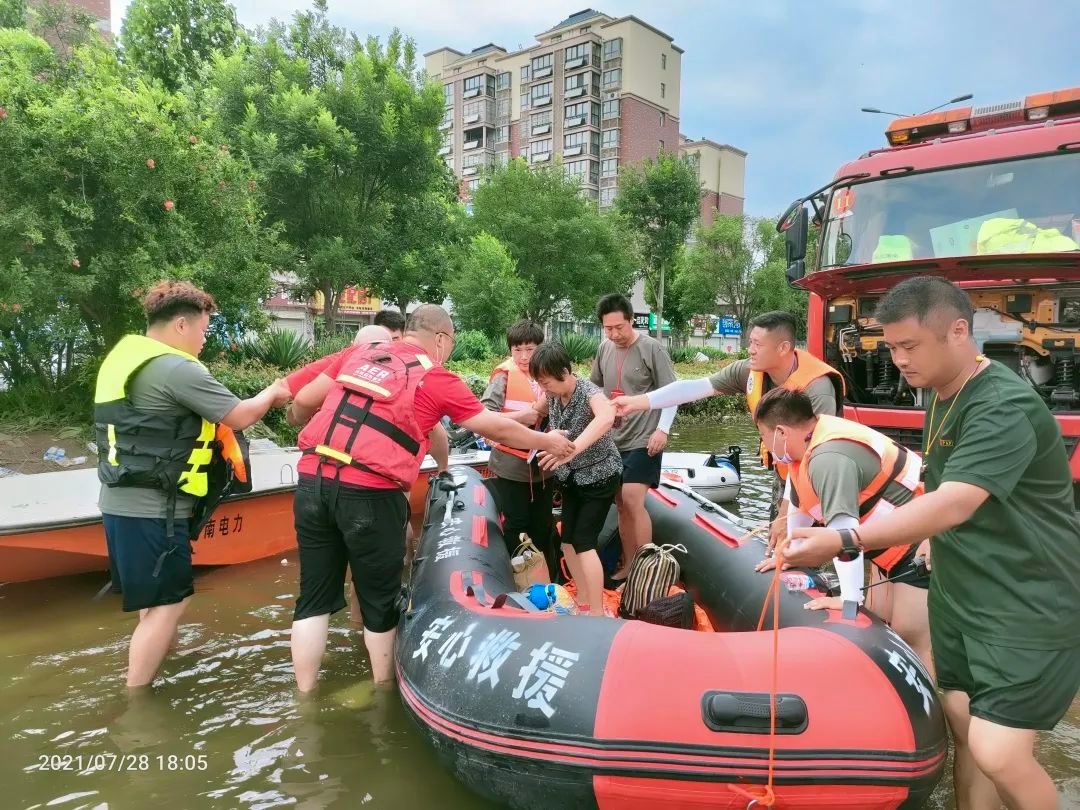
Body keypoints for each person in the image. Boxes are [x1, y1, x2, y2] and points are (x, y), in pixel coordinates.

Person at [782, 277, 1080, 810]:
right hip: (961, 592)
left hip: (1026, 600)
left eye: (910, 345)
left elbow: (956, 502)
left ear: (959, 331)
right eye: (892, 347)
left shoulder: (1001, 406)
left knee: (999, 751)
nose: (897, 360)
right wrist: (933, 544)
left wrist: (842, 537)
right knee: (965, 726)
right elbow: (938, 485)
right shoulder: (943, 394)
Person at [284, 304, 574, 691]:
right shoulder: (435, 377)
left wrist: (299, 423)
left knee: (313, 600)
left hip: (311, 482)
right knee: (379, 603)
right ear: (440, 339)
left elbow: (302, 400)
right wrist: (545, 439)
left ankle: (304, 695)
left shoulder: (360, 354)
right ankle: (382, 693)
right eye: (451, 343)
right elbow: (492, 426)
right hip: (370, 492)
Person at [95, 281, 291, 688]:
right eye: (203, 331)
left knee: (159, 599)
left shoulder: (125, 357)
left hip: (121, 500)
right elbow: (238, 416)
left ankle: (169, 656)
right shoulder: (175, 369)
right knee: (170, 601)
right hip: (155, 507)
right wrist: (273, 391)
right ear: (181, 325)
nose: (204, 340)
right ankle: (137, 697)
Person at [612, 310, 844, 550]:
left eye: (757, 345)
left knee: (810, 545)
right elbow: (693, 388)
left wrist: (786, 514)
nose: (750, 350)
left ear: (783, 348)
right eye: (750, 343)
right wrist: (636, 402)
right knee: (778, 542)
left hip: (820, 471)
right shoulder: (749, 371)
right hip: (786, 468)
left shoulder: (817, 389)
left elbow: (810, 458)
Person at [751, 387, 932, 674]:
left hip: (918, 545)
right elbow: (800, 504)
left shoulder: (828, 458)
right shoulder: (806, 447)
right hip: (887, 548)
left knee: (912, 637)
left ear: (782, 433)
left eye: (763, 436)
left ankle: (933, 711)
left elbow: (843, 532)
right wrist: (787, 556)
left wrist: (849, 601)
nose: (764, 444)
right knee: (883, 622)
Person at [530, 342, 622, 617]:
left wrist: (569, 451)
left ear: (565, 372)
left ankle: (596, 611)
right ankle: (582, 597)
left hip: (600, 475)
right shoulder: (552, 395)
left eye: (546, 382)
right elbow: (533, 412)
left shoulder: (590, 392)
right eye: (540, 383)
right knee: (567, 540)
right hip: (572, 479)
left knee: (584, 542)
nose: (544, 388)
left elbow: (606, 418)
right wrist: (497, 425)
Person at [590, 294, 678, 580]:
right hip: (613, 439)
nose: (614, 334)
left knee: (631, 498)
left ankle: (646, 567)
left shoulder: (652, 349)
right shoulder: (604, 349)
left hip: (644, 437)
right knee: (620, 501)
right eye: (608, 329)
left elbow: (673, 393)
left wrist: (662, 429)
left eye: (619, 327)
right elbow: (594, 388)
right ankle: (628, 563)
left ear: (631, 320)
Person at [481, 320, 556, 575]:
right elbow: (484, 417)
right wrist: (522, 416)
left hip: (544, 465)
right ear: (511, 351)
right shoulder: (503, 375)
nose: (524, 357)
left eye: (530, 349)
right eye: (518, 350)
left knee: (543, 524)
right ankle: (516, 576)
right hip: (511, 463)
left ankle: (543, 575)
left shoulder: (552, 372)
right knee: (516, 524)